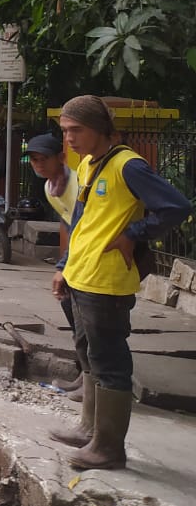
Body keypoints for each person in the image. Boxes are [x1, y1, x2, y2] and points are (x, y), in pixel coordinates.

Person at [50, 96, 191, 471]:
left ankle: (109, 448)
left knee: (110, 360)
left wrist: (133, 233)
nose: (70, 139)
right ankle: (89, 428)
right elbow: (81, 221)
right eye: (65, 131)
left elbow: (176, 206)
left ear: (100, 129)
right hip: (81, 274)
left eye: (76, 130)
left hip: (107, 281)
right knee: (89, 352)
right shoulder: (89, 163)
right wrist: (64, 266)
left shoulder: (128, 166)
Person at [26, 132, 82, 397]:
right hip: (78, 256)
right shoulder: (50, 189)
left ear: (61, 158)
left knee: (91, 324)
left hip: (96, 258)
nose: (38, 165)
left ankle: (96, 385)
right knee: (72, 312)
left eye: (43, 159)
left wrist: (63, 266)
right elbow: (70, 226)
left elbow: (83, 228)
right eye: (34, 160)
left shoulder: (79, 184)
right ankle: (85, 377)